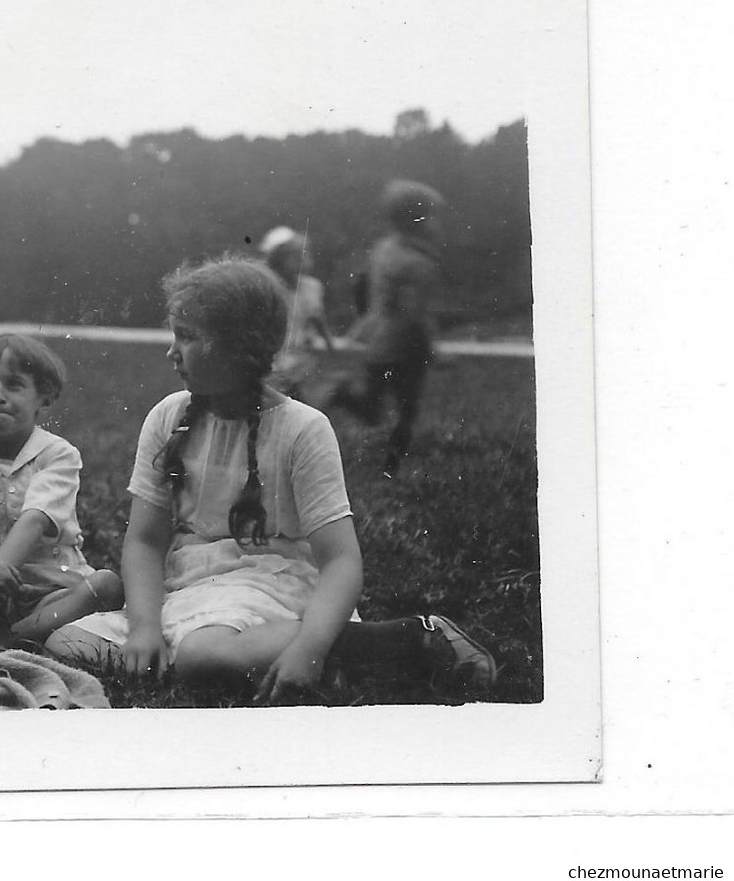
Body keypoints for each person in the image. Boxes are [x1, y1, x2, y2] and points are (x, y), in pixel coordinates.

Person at [45, 254, 495, 703]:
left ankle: (407, 640)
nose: (171, 352)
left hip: (270, 581)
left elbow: (340, 560)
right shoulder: (168, 417)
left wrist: (309, 648)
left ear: (239, 347)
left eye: (187, 337)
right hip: (190, 583)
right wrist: (144, 628)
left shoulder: (302, 428)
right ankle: (252, 649)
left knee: (202, 655)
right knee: (67, 643)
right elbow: (144, 540)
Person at [0, 333, 123, 645]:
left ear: (44, 396)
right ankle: (1, 629)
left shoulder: (58, 454)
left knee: (106, 585)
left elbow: (35, 520)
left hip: (51, 591)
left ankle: (10, 636)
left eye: (13, 385)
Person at [327, 179, 446, 476]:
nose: (435, 222)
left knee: (372, 407)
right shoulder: (419, 263)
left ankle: (341, 394)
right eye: (431, 215)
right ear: (417, 220)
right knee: (407, 411)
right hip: (405, 348)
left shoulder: (384, 249)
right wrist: (431, 349)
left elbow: (365, 286)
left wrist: (367, 321)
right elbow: (414, 315)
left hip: (378, 343)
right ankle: (391, 469)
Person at [258, 226, 335, 395]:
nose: (302, 258)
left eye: (304, 252)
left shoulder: (312, 287)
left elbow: (317, 318)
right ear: (278, 258)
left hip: (300, 358)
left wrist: (331, 348)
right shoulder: (267, 288)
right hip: (275, 358)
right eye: (294, 254)